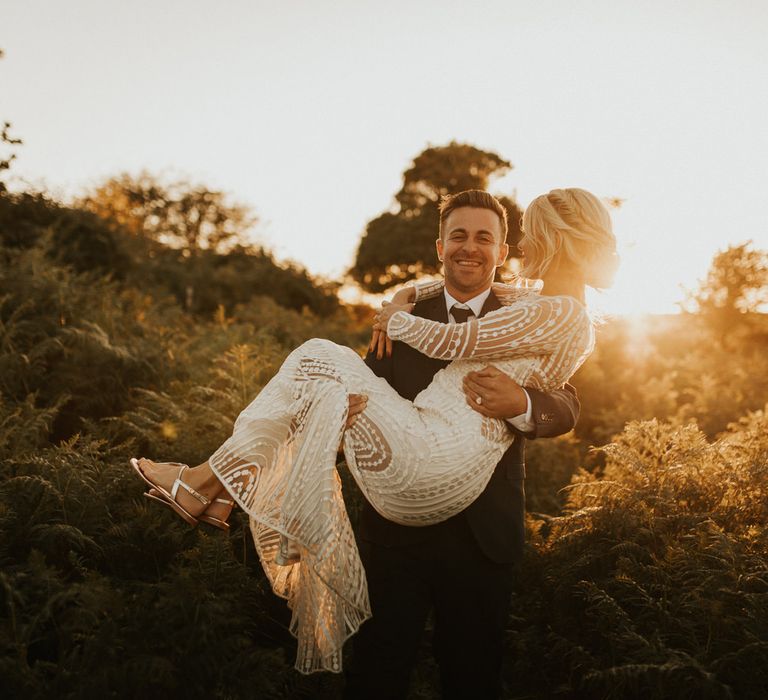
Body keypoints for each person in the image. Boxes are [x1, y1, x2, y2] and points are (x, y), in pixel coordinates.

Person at [131, 187, 617, 680]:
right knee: (377, 674)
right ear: (440, 247)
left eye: (485, 238)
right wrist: (342, 415)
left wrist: (523, 403)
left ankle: (213, 488)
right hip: (399, 533)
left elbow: (565, 402)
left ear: (504, 250)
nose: (471, 248)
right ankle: (217, 490)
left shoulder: (536, 311)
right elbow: (369, 385)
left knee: (473, 677)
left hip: (480, 535)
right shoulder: (535, 305)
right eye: (459, 236)